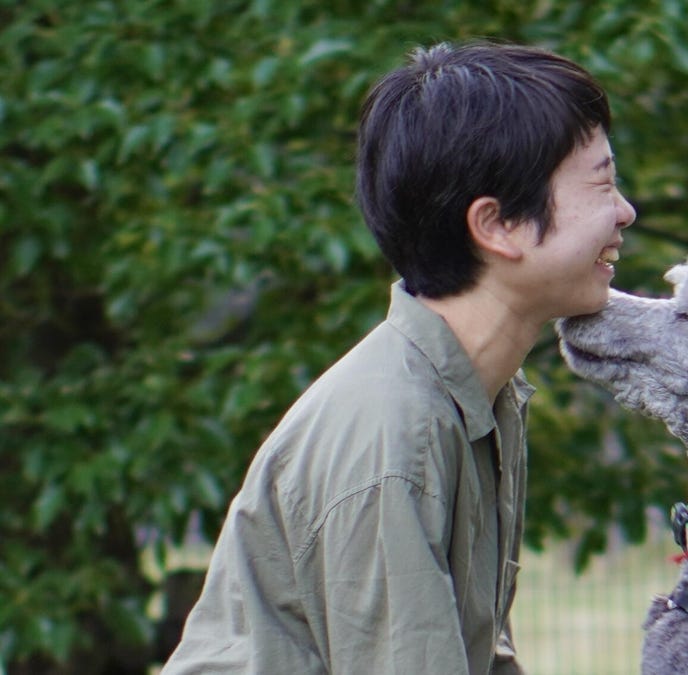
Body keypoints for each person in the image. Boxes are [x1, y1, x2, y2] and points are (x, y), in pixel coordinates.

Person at [162, 41, 636, 674]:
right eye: (602, 182)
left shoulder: (478, 391)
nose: (625, 211)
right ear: (497, 226)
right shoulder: (395, 436)